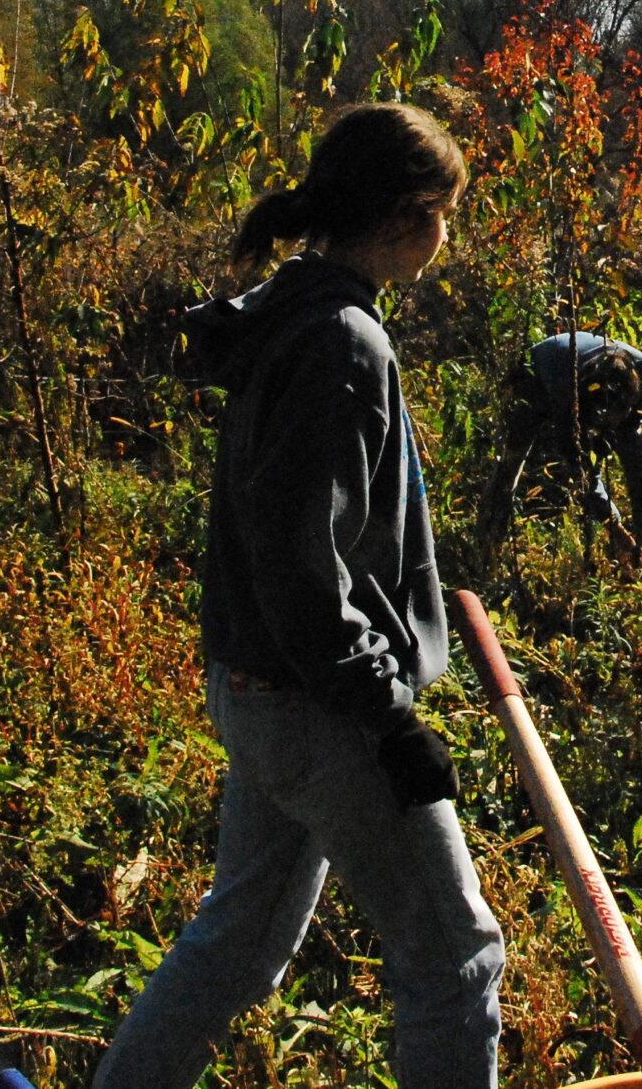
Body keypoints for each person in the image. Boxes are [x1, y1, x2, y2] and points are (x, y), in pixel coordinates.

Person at [95, 104, 504, 1089]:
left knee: (239, 942)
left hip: (261, 693)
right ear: (408, 215)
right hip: (322, 707)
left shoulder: (295, 311)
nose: (447, 234)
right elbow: (295, 557)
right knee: (457, 958)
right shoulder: (337, 339)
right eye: (444, 212)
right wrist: (385, 715)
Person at [479, 331, 642, 554]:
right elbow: (580, 467)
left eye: (622, 411)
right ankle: (489, 541)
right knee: (511, 465)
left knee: (632, 446)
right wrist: (615, 526)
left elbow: (632, 434)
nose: (616, 420)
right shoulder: (570, 396)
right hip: (535, 373)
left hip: (571, 368)